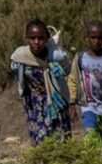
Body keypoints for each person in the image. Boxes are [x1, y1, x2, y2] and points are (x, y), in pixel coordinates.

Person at [10, 18, 72, 146]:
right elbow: (17, 74)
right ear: (27, 38)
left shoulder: (56, 56)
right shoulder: (21, 57)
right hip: (34, 105)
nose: (36, 42)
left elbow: (68, 71)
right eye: (32, 38)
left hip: (56, 102)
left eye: (41, 38)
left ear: (47, 38)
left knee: (61, 142)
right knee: (40, 143)